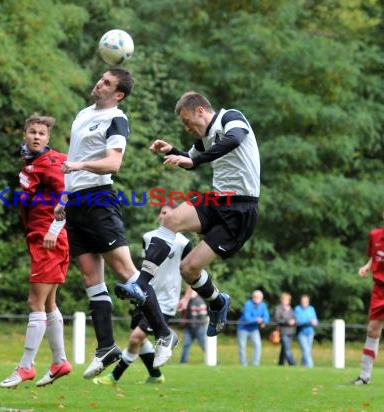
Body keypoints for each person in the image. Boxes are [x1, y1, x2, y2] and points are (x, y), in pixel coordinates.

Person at [115, 90, 261, 357]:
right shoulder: (205, 138)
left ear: (201, 111)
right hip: (217, 201)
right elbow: (191, 162)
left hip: (241, 209)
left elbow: (234, 140)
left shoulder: (231, 117)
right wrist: (173, 151)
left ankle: (217, 301)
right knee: (171, 219)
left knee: (188, 268)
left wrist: (194, 158)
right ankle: (141, 284)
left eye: (187, 121)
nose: (187, 127)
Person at [54, 68, 176, 379]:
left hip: (99, 200)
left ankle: (164, 333)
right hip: (77, 202)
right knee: (90, 278)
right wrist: (64, 198)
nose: (100, 82)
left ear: (118, 94)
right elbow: (74, 158)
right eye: (102, 78)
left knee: (125, 272)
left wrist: (79, 165)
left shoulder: (116, 119)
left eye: (107, 82)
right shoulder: (83, 114)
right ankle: (106, 347)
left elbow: (113, 163)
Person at [0, 114, 71, 388]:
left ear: (48, 138)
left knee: (34, 303)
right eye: (33, 132)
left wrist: (54, 229)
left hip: (49, 238)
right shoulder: (32, 162)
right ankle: (60, 361)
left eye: (42, 133)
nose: (37, 136)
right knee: (49, 303)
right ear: (25, 135)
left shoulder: (52, 163)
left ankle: (26, 366)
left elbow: (68, 194)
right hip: (40, 237)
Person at [93, 204, 193, 386]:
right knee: (138, 338)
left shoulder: (183, 243)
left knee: (135, 339)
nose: (165, 215)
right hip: (145, 295)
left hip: (166, 301)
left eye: (170, 213)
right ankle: (155, 375)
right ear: (158, 216)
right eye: (163, 212)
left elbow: (191, 270)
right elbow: (141, 267)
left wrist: (186, 297)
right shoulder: (148, 238)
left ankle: (114, 377)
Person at [352, 223, 384, 385]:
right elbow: (375, 256)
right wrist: (367, 267)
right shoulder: (375, 235)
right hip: (379, 289)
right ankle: (365, 376)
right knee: (372, 330)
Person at [237, 290, 270, 366]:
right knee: (242, 346)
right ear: (253, 297)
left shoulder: (263, 305)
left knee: (258, 345)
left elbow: (266, 317)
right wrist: (257, 320)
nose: (257, 298)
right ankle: (243, 364)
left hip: (254, 329)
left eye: (259, 297)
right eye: (256, 297)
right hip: (243, 328)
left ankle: (255, 363)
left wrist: (263, 321)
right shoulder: (248, 304)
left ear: (261, 298)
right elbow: (247, 318)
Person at [180, 291, 208, 364]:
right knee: (186, 345)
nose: (190, 293)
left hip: (199, 328)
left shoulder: (200, 301)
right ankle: (183, 363)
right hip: (189, 328)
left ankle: (213, 360)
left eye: (192, 292)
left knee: (204, 345)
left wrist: (196, 325)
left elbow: (203, 318)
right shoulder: (188, 301)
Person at [294, 294, 318, 368]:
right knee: (306, 350)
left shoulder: (311, 309)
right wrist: (309, 321)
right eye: (303, 301)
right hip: (301, 333)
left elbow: (315, 319)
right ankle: (311, 366)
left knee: (307, 351)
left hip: (310, 332)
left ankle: (303, 365)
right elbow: (299, 321)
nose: (304, 303)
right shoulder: (297, 309)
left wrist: (314, 322)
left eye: (306, 301)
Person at [273, 292, 296, 366]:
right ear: (282, 300)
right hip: (283, 331)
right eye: (285, 300)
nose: (287, 301)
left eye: (288, 300)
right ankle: (293, 364)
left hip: (291, 331)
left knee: (284, 349)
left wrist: (294, 321)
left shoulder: (291, 309)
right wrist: (287, 321)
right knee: (287, 349)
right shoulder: (278, 308)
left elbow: (295, 318)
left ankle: (281, 363)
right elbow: (276, 319)